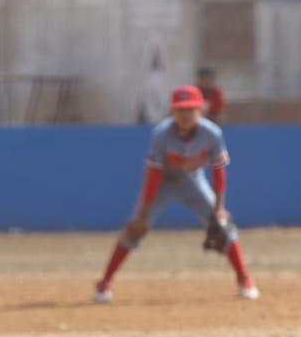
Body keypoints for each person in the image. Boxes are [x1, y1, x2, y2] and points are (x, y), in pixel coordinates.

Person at [94, 84, 259, 303]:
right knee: (135, 227)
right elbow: (153, 175)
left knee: (223, 226)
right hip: (164, 182)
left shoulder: (211, 133)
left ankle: (244, 279)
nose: (186, 114)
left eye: (191, 109)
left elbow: (219, 171)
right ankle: (105, 282)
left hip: (193, 180)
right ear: (173, 111)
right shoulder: (161, 134)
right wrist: (144, 213)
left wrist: (219, 208)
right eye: (181, 109)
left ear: (200, 109)